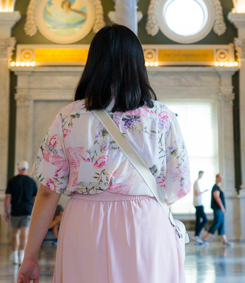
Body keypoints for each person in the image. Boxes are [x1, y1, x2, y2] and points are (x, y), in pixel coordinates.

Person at [17, 24, 190, 283]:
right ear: (138, 63)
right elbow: (177, 186)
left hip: (83, 223)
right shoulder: (163, 116)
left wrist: (30, 256)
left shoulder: (68, 117)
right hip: (145, 224)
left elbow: (47, 191)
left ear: (94, 63)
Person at [6, 160, 37, 265]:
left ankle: (14, 256)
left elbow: (7, 198)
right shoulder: (32, 182)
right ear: (27, 169)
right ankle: (22, 256)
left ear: (18, 168)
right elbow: (35, 199)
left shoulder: (12, 181)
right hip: (27, 211)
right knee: (25, 234)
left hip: (15, 211)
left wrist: (6, 211)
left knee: (15, 233)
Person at [201, 173, 231, 246]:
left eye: (222, 177)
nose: (221, 179)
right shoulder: (215, 187)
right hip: (218, 209)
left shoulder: (218, 187)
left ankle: (224, 240)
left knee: (221, 224)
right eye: (220, 177)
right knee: (216, 223)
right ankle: (204, 237)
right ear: (217, 178)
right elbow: (217, 197)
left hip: (220, 209)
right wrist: (222, 207)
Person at [192, 170, 208, 244]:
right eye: (201, 174)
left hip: (198, 203)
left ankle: (196, 236)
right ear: (199, 174)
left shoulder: (197, 182)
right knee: (204, 219)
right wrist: (204, 191)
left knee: (198, 220)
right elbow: (197, 193)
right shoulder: (196, 182)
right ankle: (197, 235)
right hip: (198, 204)